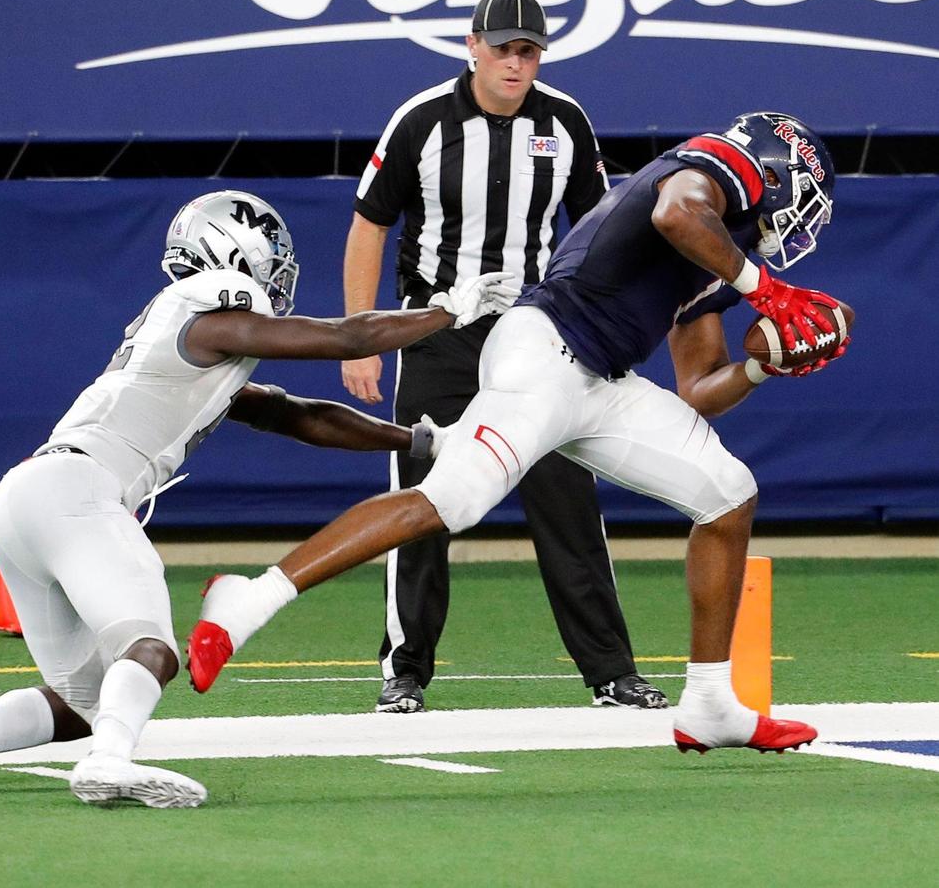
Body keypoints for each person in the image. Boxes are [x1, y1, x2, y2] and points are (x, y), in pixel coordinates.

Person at [188, 112, 847, 754]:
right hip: (546, 348)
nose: (804, 220)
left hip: (601, 382)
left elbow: (698, 389)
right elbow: (676, 213)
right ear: (774, 173)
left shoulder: (727, 253)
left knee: (728, 493)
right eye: (806, 199)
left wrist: (761, 366)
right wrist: (767, 291)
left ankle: (709, 703)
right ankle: (247, 601)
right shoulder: (713, 167)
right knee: (450, 501)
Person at [0, 189, 516, 807]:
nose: (279, 275)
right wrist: (447, 312)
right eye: (270, 258)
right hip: (78, 492)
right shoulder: (210, 311)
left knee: (86, 699)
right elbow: (347, 339)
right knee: (151, 650)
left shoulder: (192, 340)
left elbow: (300, 416)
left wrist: (420, 440)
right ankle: (109, 763)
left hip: (27, 499)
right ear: (234, 255)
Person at [340, 0, 665, 713]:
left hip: (536, 335)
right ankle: (405, 669)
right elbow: (369, 225)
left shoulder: (566, 122)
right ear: (472, 47)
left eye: (529, 51)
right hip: (437, 332)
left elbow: (602, 234)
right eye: (503, 49)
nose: (516, 63)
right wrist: (359, 336)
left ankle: (611, 671)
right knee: (422, 499)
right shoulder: (421, 121)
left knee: (567, 497)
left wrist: (603, 330)